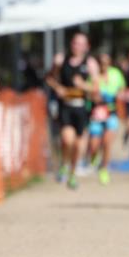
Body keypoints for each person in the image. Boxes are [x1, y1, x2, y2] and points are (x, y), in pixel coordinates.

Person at [46, 31, 99, 189]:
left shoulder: (90, 63)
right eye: (75, 43)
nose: (78, 47)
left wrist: (83, 86)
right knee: (67, 140)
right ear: (71, 44)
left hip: (82, 107)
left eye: (82, 44)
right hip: (66, 107)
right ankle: (64, 164)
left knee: (78, 146)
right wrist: (59, 88)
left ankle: (73, 173)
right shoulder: (61, 60)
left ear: (87, 47)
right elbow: (49, 78)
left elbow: (96, 89)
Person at [87, 53, 125, 185]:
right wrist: (94, 96)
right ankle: (94, 157)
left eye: (106, 62)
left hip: (111, 112)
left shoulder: (116, 74)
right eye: (101, 62)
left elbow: (122, 89)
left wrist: (119, 97)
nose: (104, 65)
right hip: (96, 113)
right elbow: (88, 91)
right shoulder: (92, 75)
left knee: (107, 142)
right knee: (94, 144)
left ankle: (104, 168)